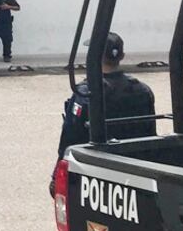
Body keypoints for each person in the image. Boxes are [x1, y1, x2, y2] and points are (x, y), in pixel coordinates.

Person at [52, 32, 156, 195]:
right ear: (122, 56)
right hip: (136, 169)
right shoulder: (142, 90)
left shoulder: (87, 94)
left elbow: (70, 137)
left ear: (94, 56)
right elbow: (150, 133)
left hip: (95, 172)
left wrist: (55, 176)